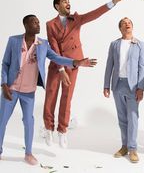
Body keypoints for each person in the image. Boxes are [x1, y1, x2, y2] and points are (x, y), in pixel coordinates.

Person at [0, 15, 96, 165]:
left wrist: (76, 62)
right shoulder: (14, 40)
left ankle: (28, 153)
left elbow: (57, 58)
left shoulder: (43, 44)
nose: (38, 24)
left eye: (38, 22)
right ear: (26, 25)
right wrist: (4, 84)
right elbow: (5, 64)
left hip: (28, 92)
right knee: (2, 121)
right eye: (34, 22)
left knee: (29, 122)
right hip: (10, 89)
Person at [43, 0, 128, 148]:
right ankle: (48, 128)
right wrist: (61, 69)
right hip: (57, 65)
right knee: (51, 96)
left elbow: (96, 13)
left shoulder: (77, 19)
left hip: (74, 64)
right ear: (57, 6)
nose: (68, 3)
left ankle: (62, 131)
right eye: (64, 1)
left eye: (69, 1)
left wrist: (115, 1)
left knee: (67, 98)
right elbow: (53, 47)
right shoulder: (50, 24)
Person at [103, 17, 144, 163]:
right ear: (120, 28)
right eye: (123, 23)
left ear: (132, 27)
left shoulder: (140, 45)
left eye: (129, 22)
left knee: (132, 117)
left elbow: (143, 68)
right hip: (117, 85)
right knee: (122, 118)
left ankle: (133, 148)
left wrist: (141, 88)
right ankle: (124, 146)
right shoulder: (114, 44)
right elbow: (109, 64)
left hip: (133, 86)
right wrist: (106, 85)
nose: (127, 24)